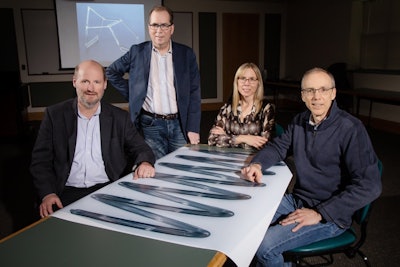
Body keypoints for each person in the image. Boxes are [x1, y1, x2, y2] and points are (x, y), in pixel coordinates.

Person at [241, 67, 382, 266]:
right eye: (310, 91)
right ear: (302, 96)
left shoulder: (351, 129)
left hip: (331, 214)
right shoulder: (300, 121)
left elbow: (370, 186)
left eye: (323, 89)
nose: (316, 97)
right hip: (299, 200)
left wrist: (320, 213)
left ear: (333, 93)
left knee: (264, 246)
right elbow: (278, 147)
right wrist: (257, 163)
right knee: (243, 219)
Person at [30, 60, 156, 218]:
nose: (91, 88)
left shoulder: (119, 118)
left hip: (108, 189)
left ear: (104, 84)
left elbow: (142, 149)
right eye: (85, 81)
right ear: (74, 82)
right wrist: (48, 194)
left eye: (96, 82)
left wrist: (144, 162)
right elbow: (40, 161)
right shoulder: (54, 115)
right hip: (65, 193)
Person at [106, 5, 201, 160]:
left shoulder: (186, 54)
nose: (159, 30)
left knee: (183, 169)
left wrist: (193, 128)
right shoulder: (137, 51)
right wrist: (134, 96)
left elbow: (194, 93)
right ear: (149, 27)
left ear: (172, 28)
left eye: (164, 25)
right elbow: (111, 72)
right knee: (154, 170)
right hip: (150, 126)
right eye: (155, 25)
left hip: (179, 124)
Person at [208, 63, 275, 150]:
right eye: (243, 78)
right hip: (229, 158)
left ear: (258, 83)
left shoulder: (267, 109)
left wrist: (227, 137)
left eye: (252, 79)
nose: (247, 83)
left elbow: (265, 145)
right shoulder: (227, 108)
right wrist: (243, 138)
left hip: (254, 160)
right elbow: (212, 139)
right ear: (237, 82)